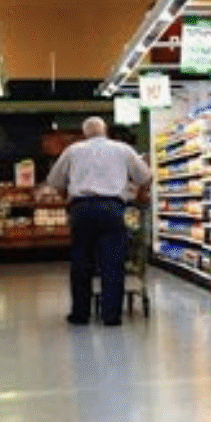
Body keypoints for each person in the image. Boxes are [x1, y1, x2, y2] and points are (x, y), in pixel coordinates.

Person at [43, 116, 152, 327]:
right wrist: (141, 195)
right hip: (113, 209)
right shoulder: (123, 149)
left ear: (85, 133)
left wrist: (66, 197)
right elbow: (146, 177)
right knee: (113, 262)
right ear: (105, 130)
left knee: (81, 262)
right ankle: (111, 316)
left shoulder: (73, 150)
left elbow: (54, 181)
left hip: (81, 209)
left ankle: (80, 314)